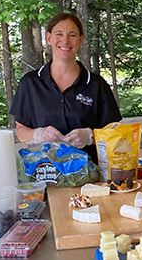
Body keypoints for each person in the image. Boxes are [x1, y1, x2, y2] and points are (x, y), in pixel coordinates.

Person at [10, 12, 121, 163]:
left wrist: (90, 136)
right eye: (59, 34)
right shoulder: (30, 83)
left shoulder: (96, 85)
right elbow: (21, 130)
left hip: (89, 175)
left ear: (81, 40)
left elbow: (114, 131)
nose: (65, 40)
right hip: (43, 173)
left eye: (72, 35)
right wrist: (38, 134)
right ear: (49, 38)